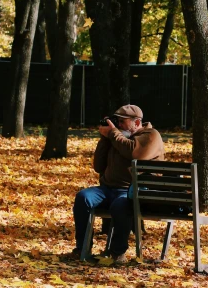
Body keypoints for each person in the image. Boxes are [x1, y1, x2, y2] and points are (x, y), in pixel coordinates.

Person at [71, 104, 165, 265]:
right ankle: (82, 248)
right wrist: (104, 138)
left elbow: (135, 153)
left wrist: (113, 133)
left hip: (130, 191)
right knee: (83, 197)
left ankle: (117, 252)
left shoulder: (151, 135)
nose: (119, 125)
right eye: (117, 121)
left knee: (120, 205)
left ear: (136, 123)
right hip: (107, 188)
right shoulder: (117, 138)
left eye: (122, 121)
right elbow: (98, 166)